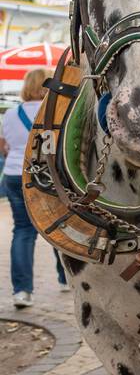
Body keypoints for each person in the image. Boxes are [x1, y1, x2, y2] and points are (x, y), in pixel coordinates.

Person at [0, 68, 67, 308]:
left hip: (14, 175)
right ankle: (65, 278)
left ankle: (22, 292)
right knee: (57, 228)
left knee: (23, 231)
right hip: (47, 177)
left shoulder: (10, 114)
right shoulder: (54, 112)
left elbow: (4, 146)